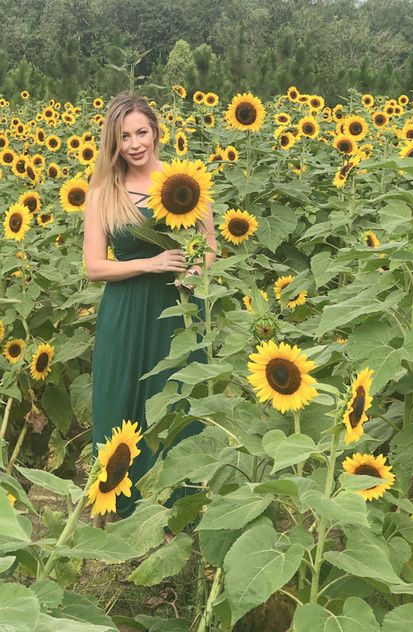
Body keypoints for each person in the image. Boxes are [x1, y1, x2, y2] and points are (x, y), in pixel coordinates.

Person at [83, 92, 217, 519]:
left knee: (173, 396)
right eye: (125, 137)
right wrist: (151, 263)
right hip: (125, 310)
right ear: (114, 143)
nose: (136, 143)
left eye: (142, 132)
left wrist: (197, 270)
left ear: (157, 132)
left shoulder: (183, 181)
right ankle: (122, 504)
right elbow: (94, 267)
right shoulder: (105, 191)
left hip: (175, 309)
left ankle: (178, 506)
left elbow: (210, 245)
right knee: (119, 395)